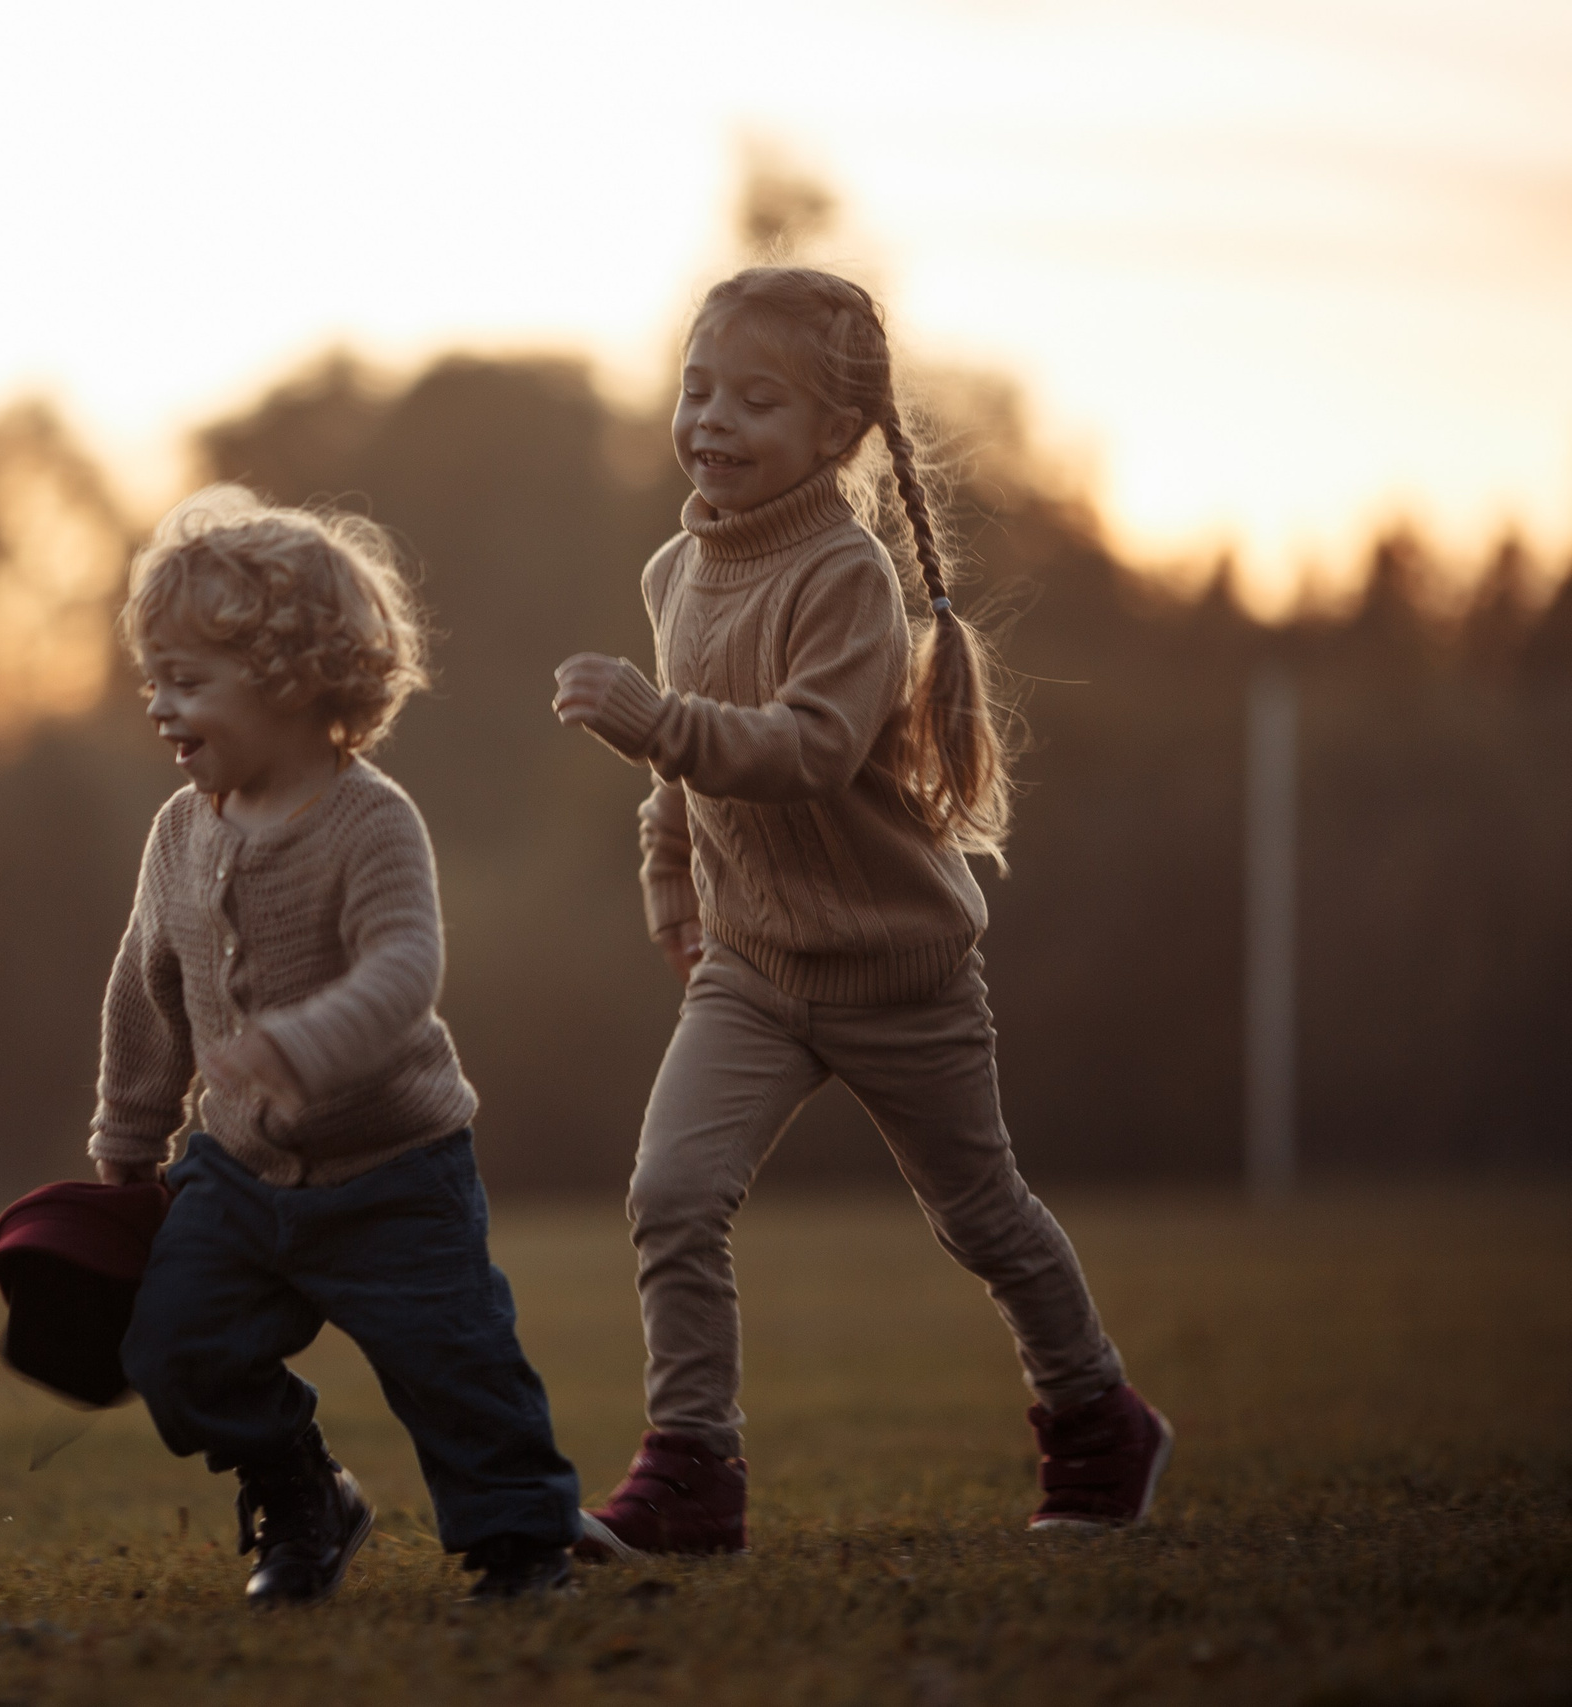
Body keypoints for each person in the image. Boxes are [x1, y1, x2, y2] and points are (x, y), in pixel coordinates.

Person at [550, 265, 1172, 1556]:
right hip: (755, 971)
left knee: (983, 1214)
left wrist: (652, 723)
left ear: (836, 434)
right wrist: (672, 879)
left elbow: (806, 749)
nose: (713, 419)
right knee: (672, 1191)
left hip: (901, 975)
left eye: (756, 400)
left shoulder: (846, 579)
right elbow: (691, 773)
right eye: (698, 387)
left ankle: (1099, 1414)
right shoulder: (678, 570)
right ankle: (692, 1473)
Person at [91, 486, 581, 1604]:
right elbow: (146, 983)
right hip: (237, 1171)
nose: (160, 706)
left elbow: (406, 974)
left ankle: (521, 1545)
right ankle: (307, 1497)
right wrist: (128, 1134)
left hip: (394, 1170)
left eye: (188, 681)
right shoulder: (179, 833)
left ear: (289, 680)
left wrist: (303, 1044)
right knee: (175, 1350)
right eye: (152, 679)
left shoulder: (372, 822)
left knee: (456, 1364)